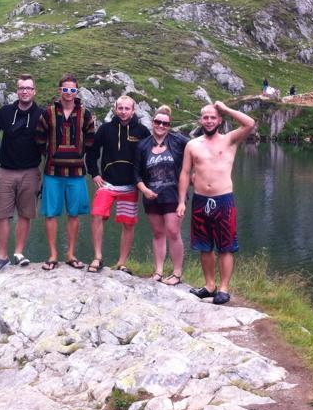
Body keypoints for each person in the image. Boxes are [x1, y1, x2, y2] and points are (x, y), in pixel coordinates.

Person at [177, 100, 256, 305]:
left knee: (226, 247)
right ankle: (209, 285)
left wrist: (226, 109)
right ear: (200, 120)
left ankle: (223, 288)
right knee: (205, 246)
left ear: (219, 120)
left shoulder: (229, 140)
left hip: (223, 200)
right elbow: (185, 173)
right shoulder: (192, 145)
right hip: (200, 200)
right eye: (206, 117)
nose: (209, 121)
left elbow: (249, 124)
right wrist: (181, 202)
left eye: (213, 117)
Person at [35, 73, 96, 271]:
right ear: (59, 91)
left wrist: (78, 155)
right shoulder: (49, 113)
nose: (68, 93)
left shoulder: (85, 114)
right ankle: (53, 254)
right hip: (52, 171)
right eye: (65, 89)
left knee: (74, 213)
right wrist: (52, 154)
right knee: (51, 213)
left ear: (76, 92)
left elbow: (90, 140)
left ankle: (70, 254)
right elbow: (39, 138)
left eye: (72, 90)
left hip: (77, 172)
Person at [86, 95, 149, 273]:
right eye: (120, 108)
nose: (123, 112)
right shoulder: (105, 129)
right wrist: (95, 174)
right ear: (115, 109)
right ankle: (97, 257)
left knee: (128, 224)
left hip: (131, 186)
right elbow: (92, 152)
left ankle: (121, 263)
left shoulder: (142, 131)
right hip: (107, 184)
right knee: (97, 215)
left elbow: (148, 157)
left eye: (126, 108)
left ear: (133, 110)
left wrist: (143, 182)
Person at [0, 74, 43, 270]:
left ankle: (19, 253)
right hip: (5, 171)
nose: (25, 91)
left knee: (25, 214)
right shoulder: (5, 112)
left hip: (30, 171)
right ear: (17, 91)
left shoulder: (42, 114)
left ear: (34, 91)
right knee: (1, 214)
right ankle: (1, 256)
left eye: (29, 88)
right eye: (21, 88)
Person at [136, 105, 189, 285]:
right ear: (152, 123)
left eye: (165, 123)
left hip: (174, 195)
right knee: (158, 233)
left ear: (169, 125)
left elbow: (197, 151)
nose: (161, 126)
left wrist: (195, 174)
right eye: (157, 122)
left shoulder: (179, 141)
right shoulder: (143, 145)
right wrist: (143, 189)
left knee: (173, 232)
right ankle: (158, 271)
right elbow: (135, 173)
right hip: (151, 196)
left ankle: (176, 273)